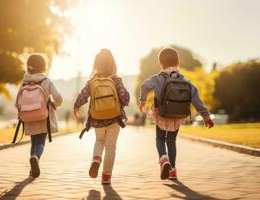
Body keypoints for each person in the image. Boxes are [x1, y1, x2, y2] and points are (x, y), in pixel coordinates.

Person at [139, 47, 214, 180]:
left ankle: (163, 159)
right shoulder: (185, 81)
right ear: (178, 62)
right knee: (171, 141)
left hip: (161, 114)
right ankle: (172, 170)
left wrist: (143, 101)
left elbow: (144, 85)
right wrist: (206, 116)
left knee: (160, 138)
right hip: (177, 116)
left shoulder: (157, 78)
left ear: (160, 64)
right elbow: (197, 100)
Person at [74, 49, 130, 185]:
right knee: (111, 147)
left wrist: (76, 106)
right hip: (115, 118)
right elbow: (125, 97)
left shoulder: (92, 81)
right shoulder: (116, 79)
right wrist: (122, 103)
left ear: (96, 65)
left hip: (97, 118)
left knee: (99, 141)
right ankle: (106, 177)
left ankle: (96, 159)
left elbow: (83, 95)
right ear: (112, 64)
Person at [15, 54, 63, 179]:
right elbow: (58, 97)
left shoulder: (24, 82)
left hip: (28, 118)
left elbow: (17, 102)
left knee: (33, 142)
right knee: (40, 142)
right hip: (43, 117)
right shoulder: (46, 81)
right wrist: (55, 105)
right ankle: (36, 157)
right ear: (43, 66)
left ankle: (32, 169)